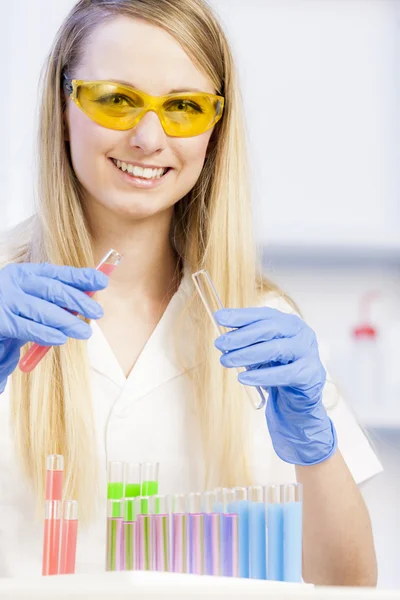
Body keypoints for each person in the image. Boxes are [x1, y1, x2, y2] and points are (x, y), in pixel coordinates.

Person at [0, 0, 381, 584]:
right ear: (63, 106)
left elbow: (348, 588)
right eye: (116, 99)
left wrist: (315, 449)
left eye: (183, 107)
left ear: (214, 129)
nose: (149, 138)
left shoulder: (263, 327)